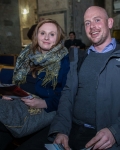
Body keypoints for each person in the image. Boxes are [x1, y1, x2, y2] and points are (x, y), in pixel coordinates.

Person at [48, 6, 120, 150]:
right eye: (87, 23)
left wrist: (116, 132)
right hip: (74, 132)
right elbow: (67, 96)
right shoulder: (79, 58)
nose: (92, 27)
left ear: (109, 23)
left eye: (97, 20)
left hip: (111, 137)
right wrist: (61, 129)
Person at [0, 18, 69, 150]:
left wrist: (44, 103)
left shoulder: (64, 60)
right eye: (42, 33)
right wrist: (8, 93)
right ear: (36, 35)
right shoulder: (27, 54)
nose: (46, 37)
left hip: (43, 109)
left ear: (58, 37)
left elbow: (67, 95)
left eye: (52, 34)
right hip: (18, 101)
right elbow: (15, 80)